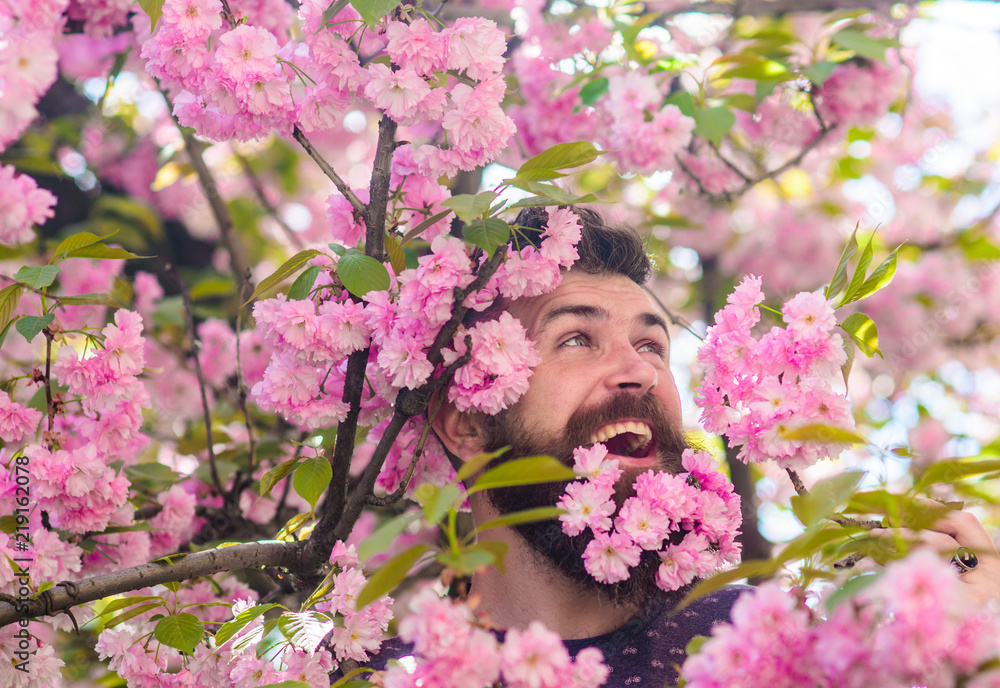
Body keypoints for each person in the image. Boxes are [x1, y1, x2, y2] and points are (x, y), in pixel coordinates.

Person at [360, 206, 1000, 685]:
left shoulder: (773, 647)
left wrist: (955, 641)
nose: (638, 371)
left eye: (652, 346)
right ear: (466, 421)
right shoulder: (383, 675)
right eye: (577, 339)